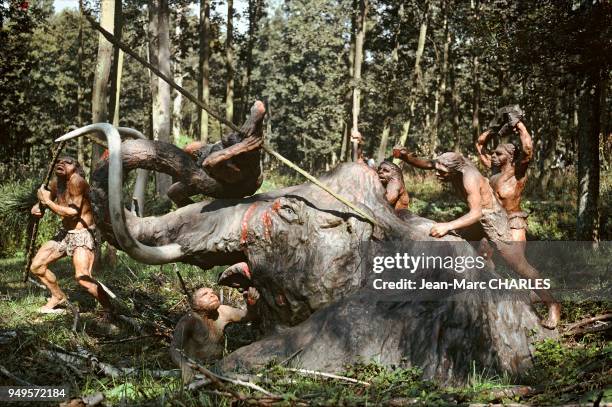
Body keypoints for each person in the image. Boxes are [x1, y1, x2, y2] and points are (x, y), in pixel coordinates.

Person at [392, 147, 561, 329]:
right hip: (477, 220)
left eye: (442, 172)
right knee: (461, 250)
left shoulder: (469, 178)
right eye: (438, 170)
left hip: (491, 219)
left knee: (519, 265)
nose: (438, 175)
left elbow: (475, 213)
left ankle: (552, 303)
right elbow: (428, 163)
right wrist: (405, 157)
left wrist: (447, 225)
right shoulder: (450, 163)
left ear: (454, 170)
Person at [30, 156, 111, 314]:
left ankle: (110, 310)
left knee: (83, 278)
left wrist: (48, 203)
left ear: (77, 168)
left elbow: (73, 213)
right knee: (37, 266)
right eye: (59, 161)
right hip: (65, 234)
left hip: (83, 234)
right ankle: (57, 296)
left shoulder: (77, 181)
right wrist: (38, 208)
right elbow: (46, 202)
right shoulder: (56, 183)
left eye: (68, 162)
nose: (61, 163)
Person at [170, 286, 260, 382]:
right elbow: (174, 348)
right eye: (205, 294)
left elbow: (248, 316)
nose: (212, 295)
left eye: (213, 293)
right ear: (194, 304)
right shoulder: (189, 320)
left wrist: (251, 303)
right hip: (196, 368)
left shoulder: (223, 311)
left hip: (220, 366)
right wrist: (184, 367)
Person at [476, 105, 532, 241]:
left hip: (513, 221)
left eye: (499, 154)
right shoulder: (494, 168)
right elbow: (479, 145)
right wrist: (494, 128)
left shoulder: (517, 172)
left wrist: (518, 125)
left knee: (517, 261)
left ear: (511, 157)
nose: (493, 155)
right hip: (493, 220)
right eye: (493, 153)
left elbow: (528, 150)